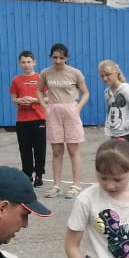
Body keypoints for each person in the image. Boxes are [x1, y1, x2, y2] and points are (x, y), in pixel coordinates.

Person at [37, 42, 90, 198]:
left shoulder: (75, 73)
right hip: (53, 111)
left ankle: (76, 185)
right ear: (50, 57)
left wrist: (77, 108)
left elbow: (86, 93)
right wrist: (44, 106)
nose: (58, 60)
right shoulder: (46, 73)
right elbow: (39, 90)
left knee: (73, 149)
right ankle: (56, 185)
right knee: (56, 151)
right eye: (55, 57)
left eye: (61, 57)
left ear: (67, 57)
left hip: (71, 111)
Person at [98, 60, 129, 183]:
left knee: (127, 169)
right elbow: (110, 112)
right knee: (119, 168)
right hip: (113, 134)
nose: (105, 78)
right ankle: (128, 196)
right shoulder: (107, 92)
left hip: (126, 136)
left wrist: (126, 124)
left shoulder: (125, 89)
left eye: (107, 74)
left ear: (116, 73)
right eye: (102, 75)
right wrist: (109, 127)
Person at [9, 50, 46, 187]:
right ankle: (27, 174)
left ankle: (39, 175)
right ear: (19, 64)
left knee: (39, 149)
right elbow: (13, 99)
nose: (26, 65)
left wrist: (34, 100)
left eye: (29, 62)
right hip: (22, 120)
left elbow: (47, 97)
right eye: (23, 62)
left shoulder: (40, 78)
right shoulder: (16, 80)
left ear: (34, 62)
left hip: (38, 118)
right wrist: (20, 100)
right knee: (25, 149)